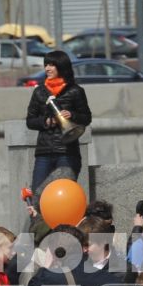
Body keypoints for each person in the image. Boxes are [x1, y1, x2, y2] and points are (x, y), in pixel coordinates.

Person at [24, 51, 93, 191]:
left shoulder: (75, 91)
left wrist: (72, 115)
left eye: (51, 65)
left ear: (61, 66)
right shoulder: (39, 92)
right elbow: (30, 121)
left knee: (65, 193)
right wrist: (46, 122)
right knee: (38, 194)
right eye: (46, 65)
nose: (47, 69)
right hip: (44, 153)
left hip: (68, 153)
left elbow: (86, 117)